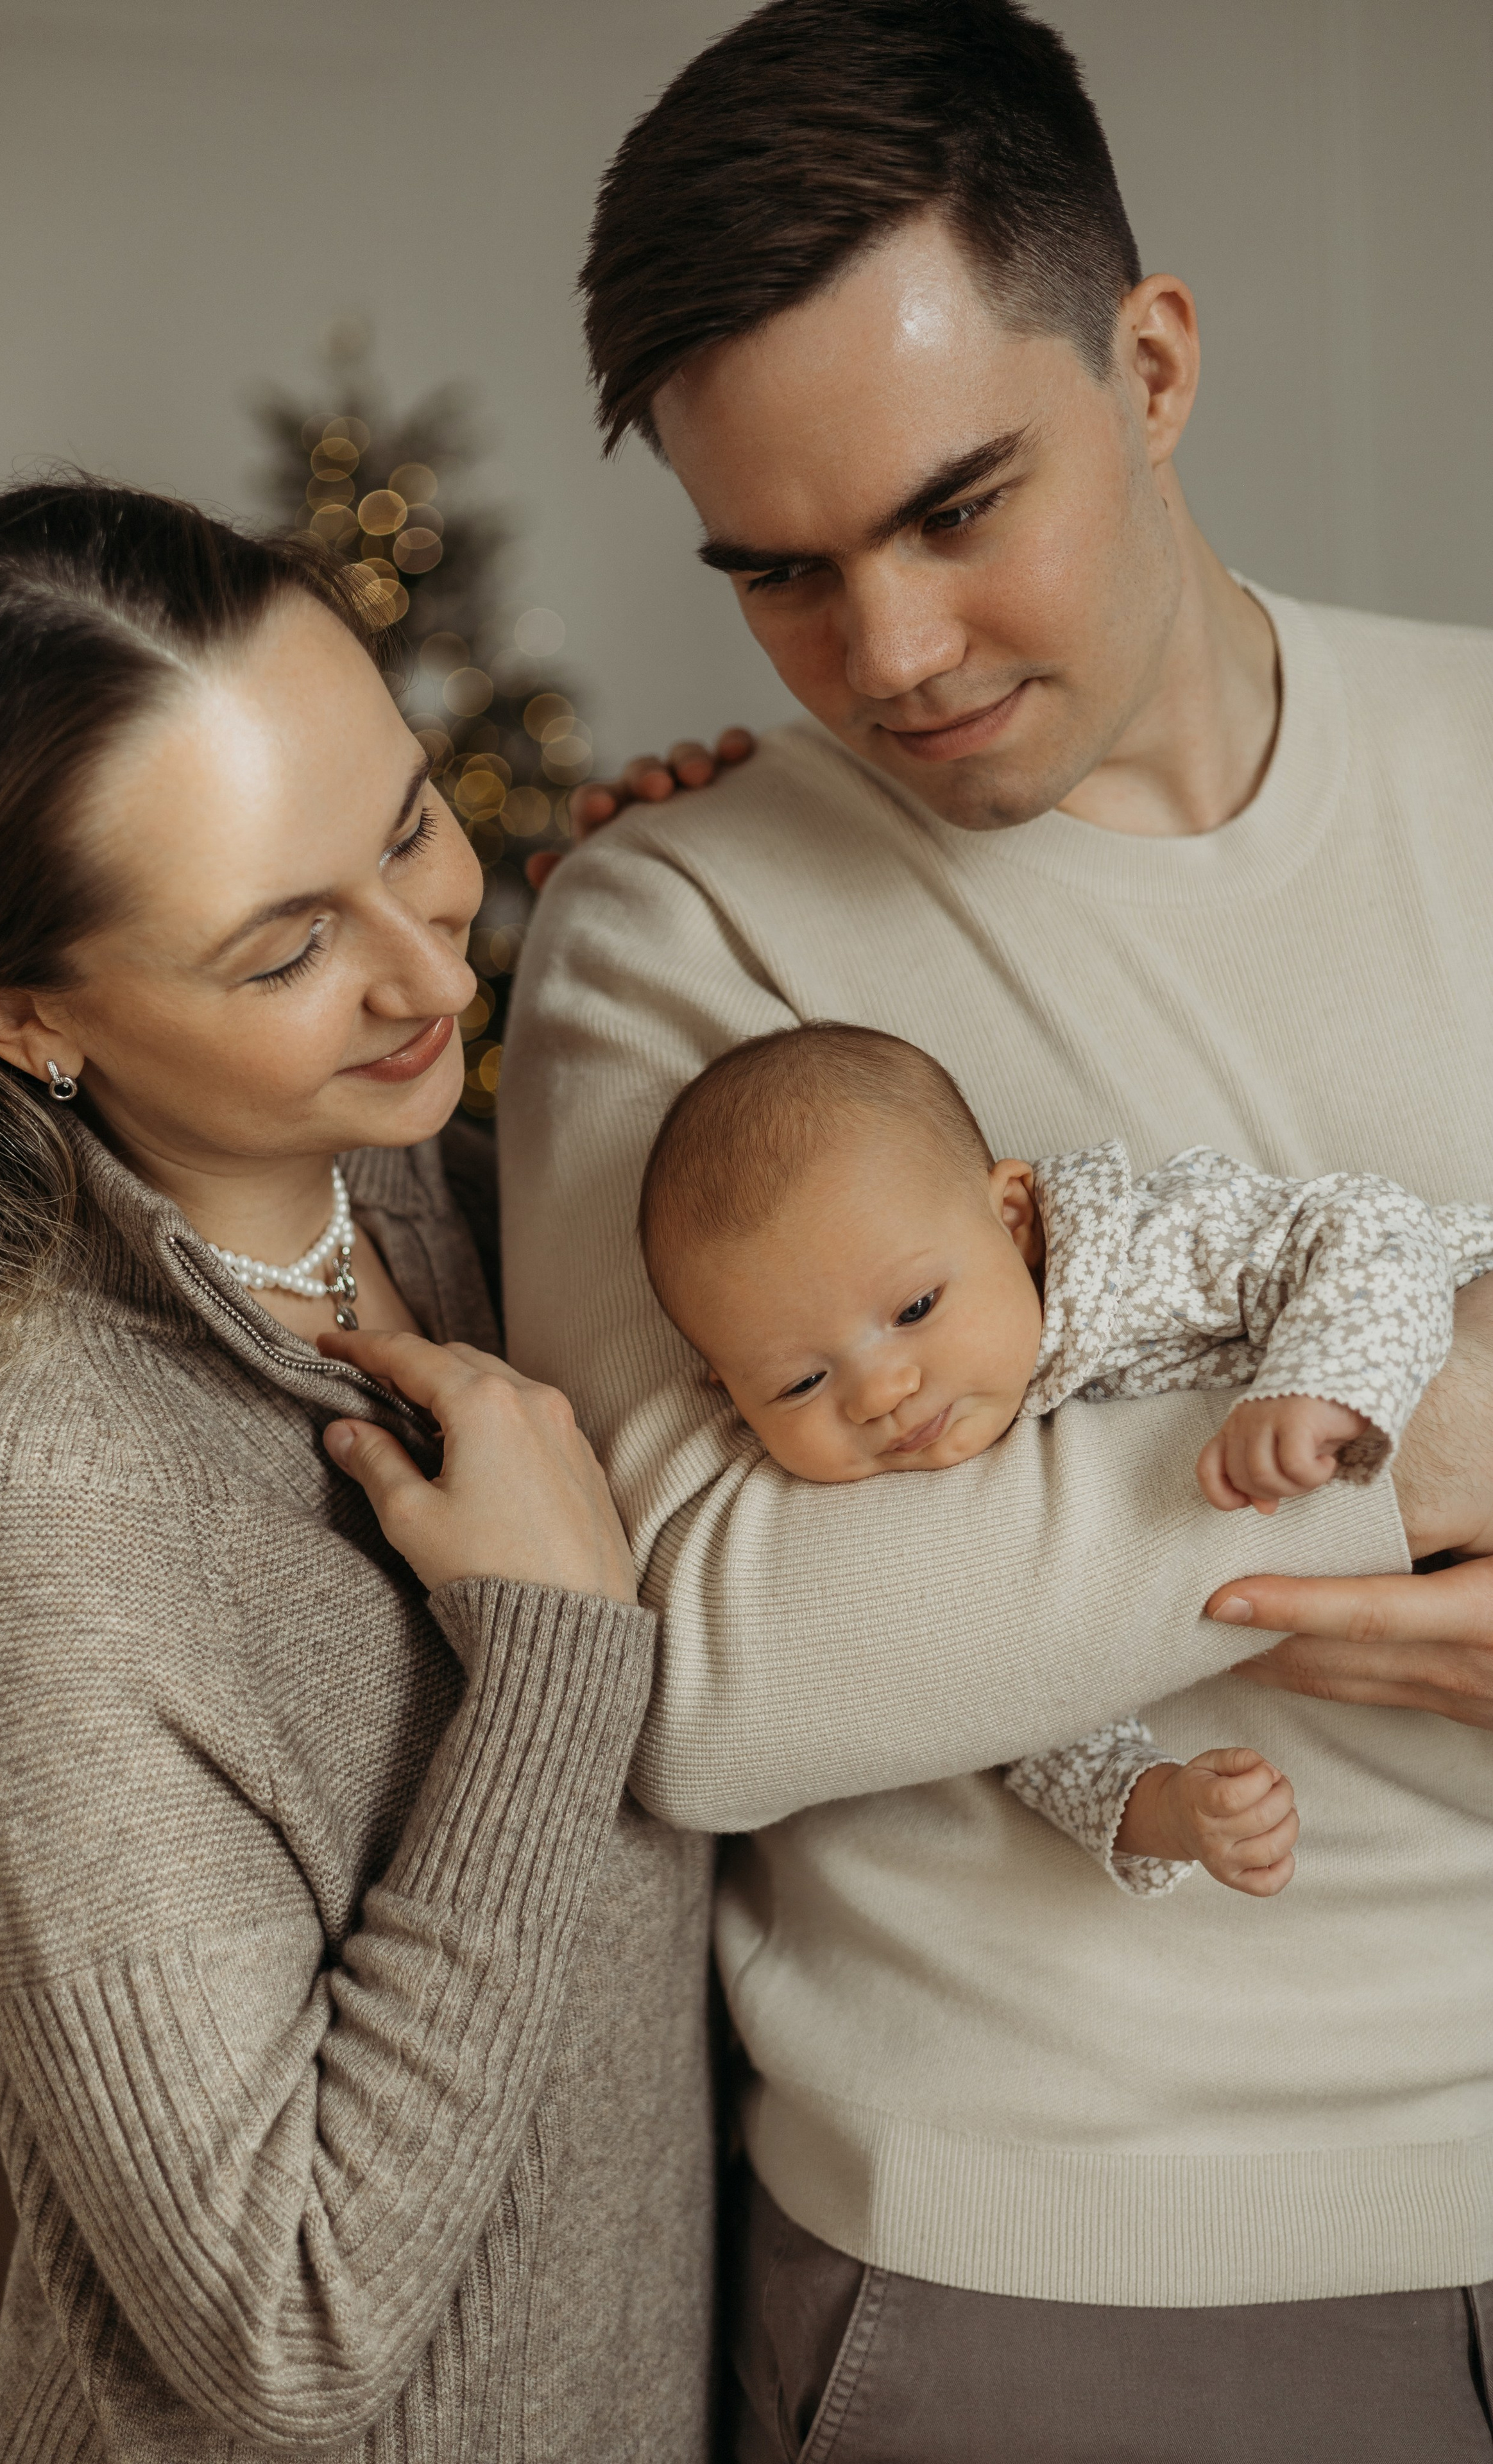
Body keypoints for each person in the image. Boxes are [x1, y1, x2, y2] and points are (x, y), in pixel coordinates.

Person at [498, 1, 1493, 2454]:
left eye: (959, 509)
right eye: (784, 575)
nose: (893, 662)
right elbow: (717, 1666)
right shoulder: (672, 932)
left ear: (1150, 362)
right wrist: (1437, 1441)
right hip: (1086, 2261)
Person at [0, 479, 715, 2462]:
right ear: (18, 1013)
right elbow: (286, 2326)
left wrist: (732, 904)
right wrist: (555, 1666)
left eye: (410, 825)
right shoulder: (38, 1518)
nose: (434, 969)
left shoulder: (464, 1212)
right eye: (283, 950)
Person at [636, 1018, 1493, 1901]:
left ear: (1013, 1220)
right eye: (801, 1382)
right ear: (729, 1395)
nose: (882, 1391)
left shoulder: (1139, 1249)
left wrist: (1325, 1380)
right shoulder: (937, 1497)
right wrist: (1162, 1807)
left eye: (918, 1306)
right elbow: (1030, 1703)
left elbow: (1370, 1225)